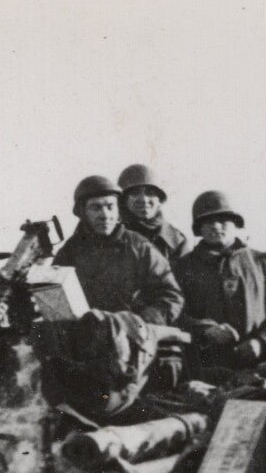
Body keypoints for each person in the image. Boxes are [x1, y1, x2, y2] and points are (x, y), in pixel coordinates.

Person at [47, 174, 186, 419]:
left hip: (134, 350)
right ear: (83, 212)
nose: (105, 214)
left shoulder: (138, 246)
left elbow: (170, 295)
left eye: (110, 206)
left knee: (124, 410)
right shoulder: (70, 252)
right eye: (96, 207)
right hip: (90, 349)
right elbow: (57, 303)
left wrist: (139, 325)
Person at [174, 190, 266, 382]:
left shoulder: (265, 263)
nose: (215, 226)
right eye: (207, 221)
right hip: (204, 373)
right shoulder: (182, 268)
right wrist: (204, 330)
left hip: (262, 370)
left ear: (235, 223)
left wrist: (263, 342)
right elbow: (173, 316)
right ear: (198, 228)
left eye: (222, 220)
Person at [117, 164, 188, 263]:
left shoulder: (175, 240)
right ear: (123, 200)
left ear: (159, 200)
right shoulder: (113, 233)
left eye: (150, 193)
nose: (143, 199)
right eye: (135, 193)